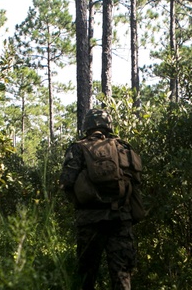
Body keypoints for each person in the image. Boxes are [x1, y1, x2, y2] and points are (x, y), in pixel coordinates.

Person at [60, 109, 144, 290]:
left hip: (89, 220)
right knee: (122, 275)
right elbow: (135, 181)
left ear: (87, 126)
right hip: (120, 219)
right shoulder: (123, 147)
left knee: (86, 276)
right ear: (108, 126)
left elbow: (66, 181)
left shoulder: (78, 147)